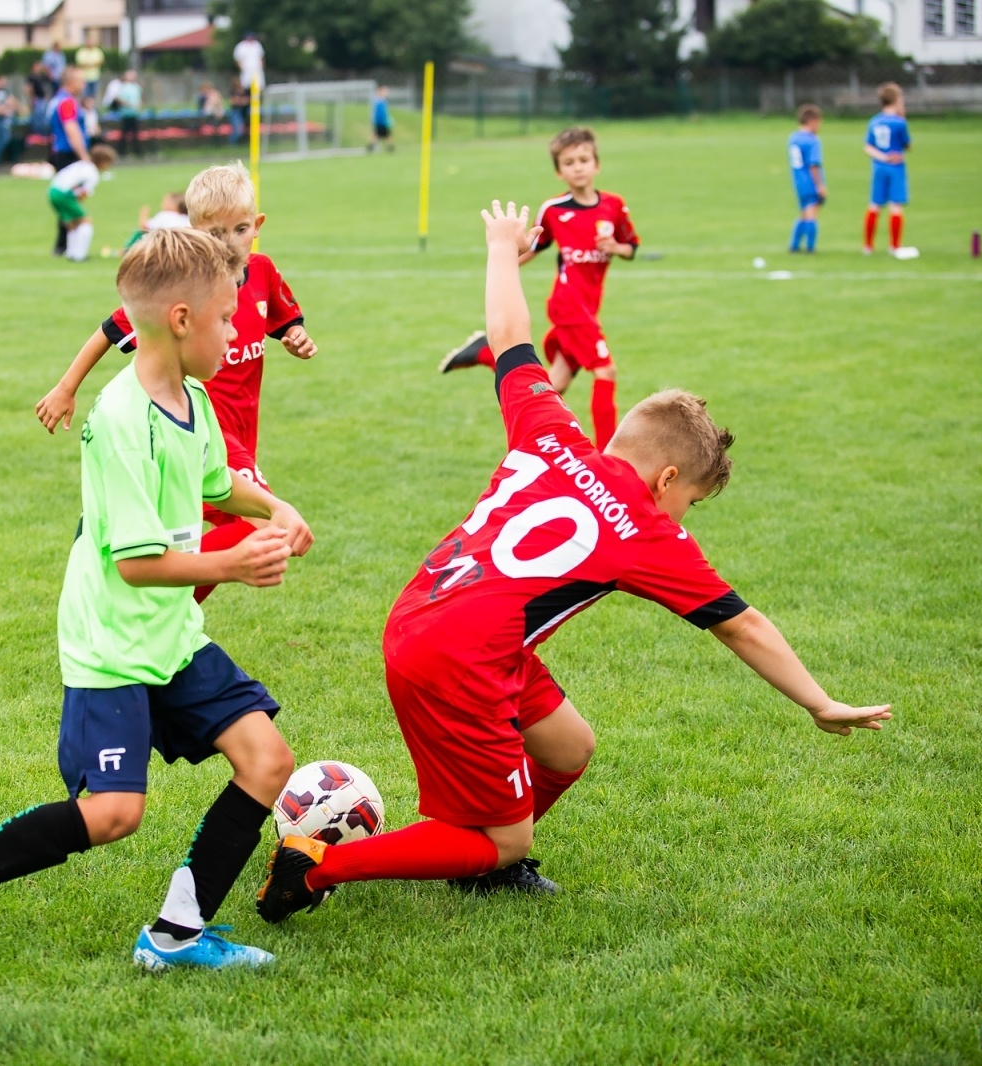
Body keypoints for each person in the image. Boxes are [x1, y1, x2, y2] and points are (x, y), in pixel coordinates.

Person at [255, 200, 892, 921]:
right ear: (668, 480)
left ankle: (491, 849)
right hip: (462, 657)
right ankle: (320, 867)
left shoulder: (552, 430)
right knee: (499, 839)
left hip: (431, 617)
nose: (684, 518)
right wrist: (819, 701)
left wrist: (502, 247)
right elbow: (741, 626)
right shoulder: (646, 530)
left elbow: (509, 338)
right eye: (693, 503)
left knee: (567, 747)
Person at [0, 227, 315, 992]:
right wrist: (230, 564)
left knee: (267, 759)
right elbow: (137, 563)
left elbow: (215, 486)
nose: (239, 334)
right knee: (112, 813)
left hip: (169, 635)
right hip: (110, 642)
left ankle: (176, 935)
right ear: (180, 318)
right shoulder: (119, 420)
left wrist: (274, 506)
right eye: (228, 318)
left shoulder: (193, 401)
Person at [36, 163, 319, 603]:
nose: (228, 244)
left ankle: (164, 606)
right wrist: (66, 387)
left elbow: (282, 321)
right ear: (193, 230)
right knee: (263, 526)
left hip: (242, 434)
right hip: (201, 433)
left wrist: (295, 337)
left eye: (240, 229)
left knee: (215, 530)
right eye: (214, 233)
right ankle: (157, 597)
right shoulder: (184, 286)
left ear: (257, 226)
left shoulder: (262, 272)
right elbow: (114, 328)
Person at [438, 127, 638, 450]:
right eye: (569, 162)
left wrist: (615, 247)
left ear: (596, 165)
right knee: (606, 371)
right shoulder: (554, 210)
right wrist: (504, 258)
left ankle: (490, 354)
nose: (578, 167)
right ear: (559, 172)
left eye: (584, 159)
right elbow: (533, 247)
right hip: (569, 304)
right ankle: (609, 459)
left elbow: (631, 248)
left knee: (552, 387)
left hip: (590, 304)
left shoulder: (614, 207)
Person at [863, 83, 910, 257]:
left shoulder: (874, 121)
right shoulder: (899, 122)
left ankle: (868, 246)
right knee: (895, 206)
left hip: (878, 167)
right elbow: (907, 144)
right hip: (895, 167)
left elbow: (868, 146)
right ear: (897, 100)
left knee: (874, 205)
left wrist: (881, 157)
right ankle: (894, 246)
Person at [46, 67, 90, 255]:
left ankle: (65, 244)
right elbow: (71, 129)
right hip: (68, 154)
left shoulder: (60, 99)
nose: (84, 84)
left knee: (67, 198)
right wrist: (84, 156)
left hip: (61, 152)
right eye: (80, 80)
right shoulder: (67, 102)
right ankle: (65, 244)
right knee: (68, 198)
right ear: (70, 82)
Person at [49, 144, 118, 261]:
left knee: (71, 223)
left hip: (52, 191)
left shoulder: (81, 164)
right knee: (85, 221)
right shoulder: (93, 174)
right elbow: (83, 195)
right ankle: (80, 255)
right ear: (102, 162)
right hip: (64, 195)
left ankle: (71, 253)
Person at [787, 103, 826, 253]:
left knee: (803, 213)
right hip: (809, 181)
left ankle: (794, 245)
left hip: (797, 181)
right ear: (812, 121)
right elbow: (813, 165)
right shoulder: (812, 140)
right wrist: (819, 185)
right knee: (811, 214)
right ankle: (810, 247)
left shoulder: (793, 138)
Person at [123, 190, 191, 252]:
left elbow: (144, 227)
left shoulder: (164, 215)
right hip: (184, 245)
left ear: (173, 205)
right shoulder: (187, 217)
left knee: (139, 232)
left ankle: (127, 250)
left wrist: (143, 214)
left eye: (165, 202)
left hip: (164, 245)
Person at [113, 69, 142, 157]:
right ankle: (122, 152)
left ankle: (137, 152)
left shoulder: (136, 87)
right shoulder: (122, 87)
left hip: (134, 113)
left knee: (135, 134)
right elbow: (118, 99)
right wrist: (128, 104)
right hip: (125, 114)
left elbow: (138, 99)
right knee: (124, 134)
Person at [75, 34, 104, 99]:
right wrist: (93, 64)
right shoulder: (81, 52)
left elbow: (100, 61)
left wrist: (88, 64)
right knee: (85, 95)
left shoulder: (97, 51)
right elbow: (80, 64)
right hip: (84, 77)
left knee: (94, 95)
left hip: (95, 76)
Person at [369, 84, 393, 152]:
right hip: (380, 122)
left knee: (385, 134)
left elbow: (385, 112)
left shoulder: (384, 101)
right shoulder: (379, 101)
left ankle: (390, 147)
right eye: (385, 91)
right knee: (377, 134)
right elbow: (379, 113)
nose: (386, 93)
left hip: (383, 121)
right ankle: (372, 146)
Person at [227, 77, 249, 146]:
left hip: (244, 112)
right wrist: (241, 101)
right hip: (236, 112)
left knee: (241, 128)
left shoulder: (244, 92)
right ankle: (232, 144)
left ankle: (235, 144)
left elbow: (247, 101)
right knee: (238, 129)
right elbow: (234, 102)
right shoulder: (233, 92)